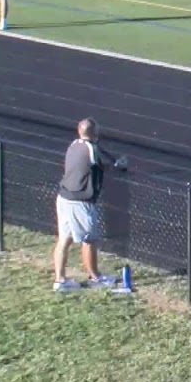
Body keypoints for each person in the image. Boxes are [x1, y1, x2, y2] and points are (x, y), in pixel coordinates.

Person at [53, 118, 128, 292]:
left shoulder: (74, 144)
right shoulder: (91, 148)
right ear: (95, 132)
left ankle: (60, 281)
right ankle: (96, 278)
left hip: (63, 197)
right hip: (80, 201)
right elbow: (98, 165)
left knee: (64, 239)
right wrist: (118, 166)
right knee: (89, 239)